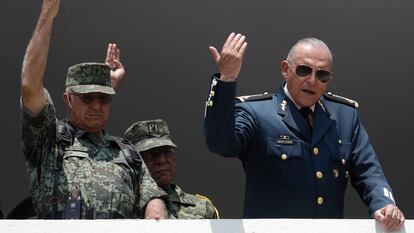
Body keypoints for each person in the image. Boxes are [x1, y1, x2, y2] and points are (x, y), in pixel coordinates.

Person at [204, 32, 405, 230]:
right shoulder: (257, 112)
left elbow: (368, 172)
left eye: (322, 75)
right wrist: (227, 80)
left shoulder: (344, 116)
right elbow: (220, 143)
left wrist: (383, 203)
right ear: (285, 69)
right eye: (303, 70)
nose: (312, 80)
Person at [20, 0, 167, 219]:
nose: (97, 105)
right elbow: (29, 87)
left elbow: (150, 195)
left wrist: (155, 213)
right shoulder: (49, 140)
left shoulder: (126, 153)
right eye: (88, 98)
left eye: (104, 98)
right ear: (68, 100)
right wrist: (48, 15)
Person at [124, 119, 219, 219]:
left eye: (167, 151)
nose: (161, 160)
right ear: (134, 161)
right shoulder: (123, 208)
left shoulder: (202, 209)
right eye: (151, 154)